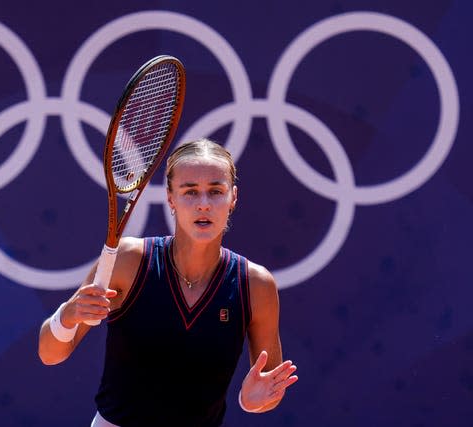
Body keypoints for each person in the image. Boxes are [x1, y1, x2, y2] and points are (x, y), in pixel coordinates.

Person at [38, 138, 298, 427]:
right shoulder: (128, 260)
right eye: (190, 192)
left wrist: (251, 402)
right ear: (171, 198)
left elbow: (270, 387)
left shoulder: (255, 285)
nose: (203, 205)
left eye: (215, 191)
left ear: (233, 197)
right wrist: (68, 314)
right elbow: (50, 353)